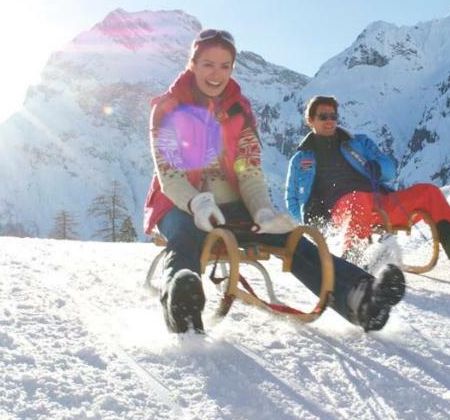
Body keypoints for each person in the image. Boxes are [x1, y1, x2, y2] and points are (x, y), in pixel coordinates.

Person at [144, 30, 406, 333]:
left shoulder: (238, 111)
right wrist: (198, 203)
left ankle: (360, 297)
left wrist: (262, 211)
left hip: (233, 205)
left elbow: (248, 169)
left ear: (232, 68)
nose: (216, 74)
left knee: (289, 240)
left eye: (224, 66)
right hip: (180, 201)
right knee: (186, 235)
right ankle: (181, 301)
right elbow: (170, 173)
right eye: (207, 64)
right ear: (192, 64)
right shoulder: (168, 108)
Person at [285, 95, 450, 278]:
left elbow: (389, 169)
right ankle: (352, 263)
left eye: (333, 116)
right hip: (337, 213)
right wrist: (313, 223)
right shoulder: (301, 158)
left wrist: (378, 167)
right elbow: (292, 198)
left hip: (377, 203)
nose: (329, 121)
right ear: (310, 120)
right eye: (323, 116)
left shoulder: (358, 143)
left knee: (428, 193)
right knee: (357, 198)